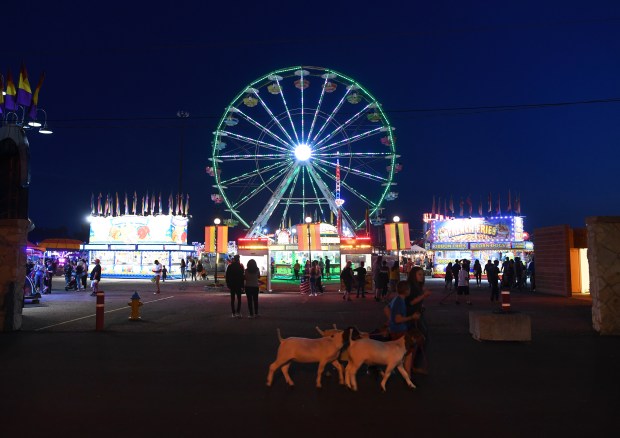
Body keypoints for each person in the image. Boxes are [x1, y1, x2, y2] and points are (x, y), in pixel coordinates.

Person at [386, 281, 420, 376]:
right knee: (409, 352)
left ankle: (402, 372)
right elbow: (398, 319)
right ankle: (408, 376)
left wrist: (390, 320)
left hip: (394, 329)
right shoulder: (400, 302)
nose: (410, 291)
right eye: (408, 289)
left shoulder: (396, 299)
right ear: (406, 290)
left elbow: (386, 308)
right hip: (399, 330)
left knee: (400, 352)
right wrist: (412, 317)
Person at [406, 266, 431, 374]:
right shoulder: (411, 287)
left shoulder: (418, 286)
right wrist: (423, 296)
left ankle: (412, 365)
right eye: (419, 274)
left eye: (423, 274)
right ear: (413, 275)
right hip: (412, 317)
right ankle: (411, 365)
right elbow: (410, 302)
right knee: (419, 339)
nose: (422, 276)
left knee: (421, 339)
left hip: (418, 315)